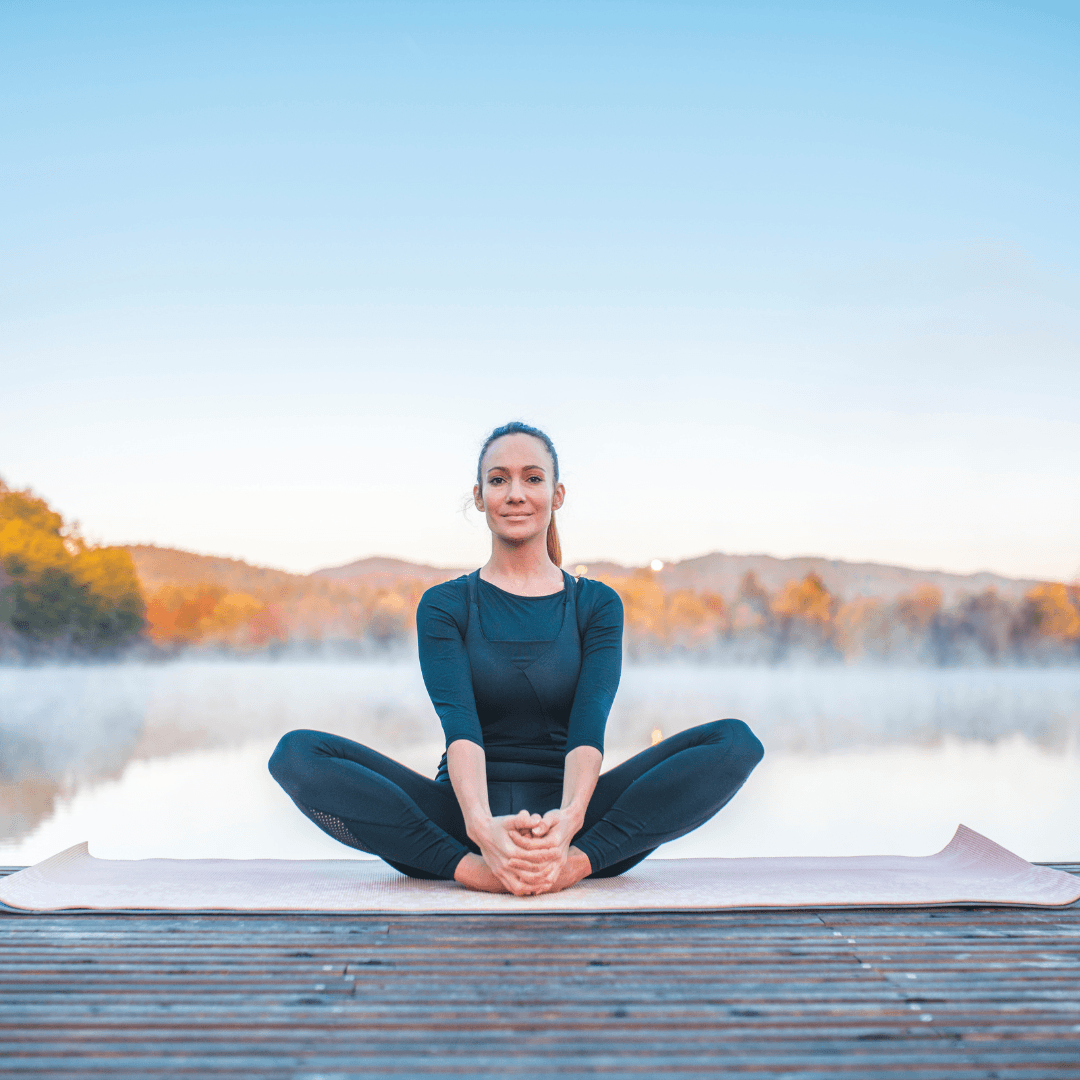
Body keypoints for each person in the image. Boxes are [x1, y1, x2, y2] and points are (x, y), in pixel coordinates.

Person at [269, 422, 763, 895]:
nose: (515, 493)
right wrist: (483, 833)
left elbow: (589, 727)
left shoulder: (595, 604)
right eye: (499, 480)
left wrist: (568, 828)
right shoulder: (446, 605)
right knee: (297, 755)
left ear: (557, 495)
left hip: (580, 828)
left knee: (734, 744)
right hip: (461, 823)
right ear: (480, 496)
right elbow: (460, 727)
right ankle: (474, 873)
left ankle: (569, 870)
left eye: (532, 478)